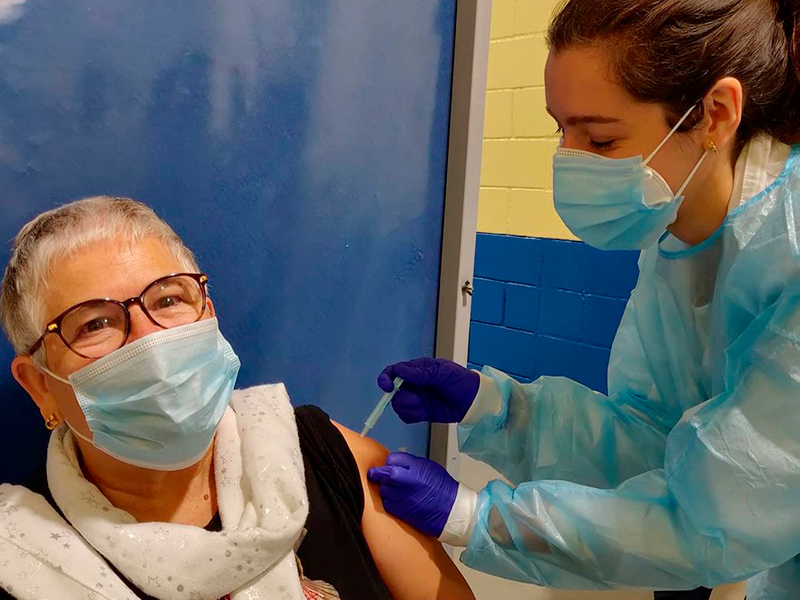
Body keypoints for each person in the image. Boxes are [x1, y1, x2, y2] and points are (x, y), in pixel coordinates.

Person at [366, 0, 800, 599]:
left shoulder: (790, 247)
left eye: (599, 138)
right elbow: (650, 435)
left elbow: (710, 522)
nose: (570, 161)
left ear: (715, 114)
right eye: (560, 129)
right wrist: (496, 408)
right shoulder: (677, 239)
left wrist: (476, 518)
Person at [0, 196, 475, 600]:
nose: (149, 341)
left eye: (168, 299)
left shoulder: (319, 450)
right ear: (40, 384)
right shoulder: (20, 554)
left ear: (209, 313)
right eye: (95, 323)